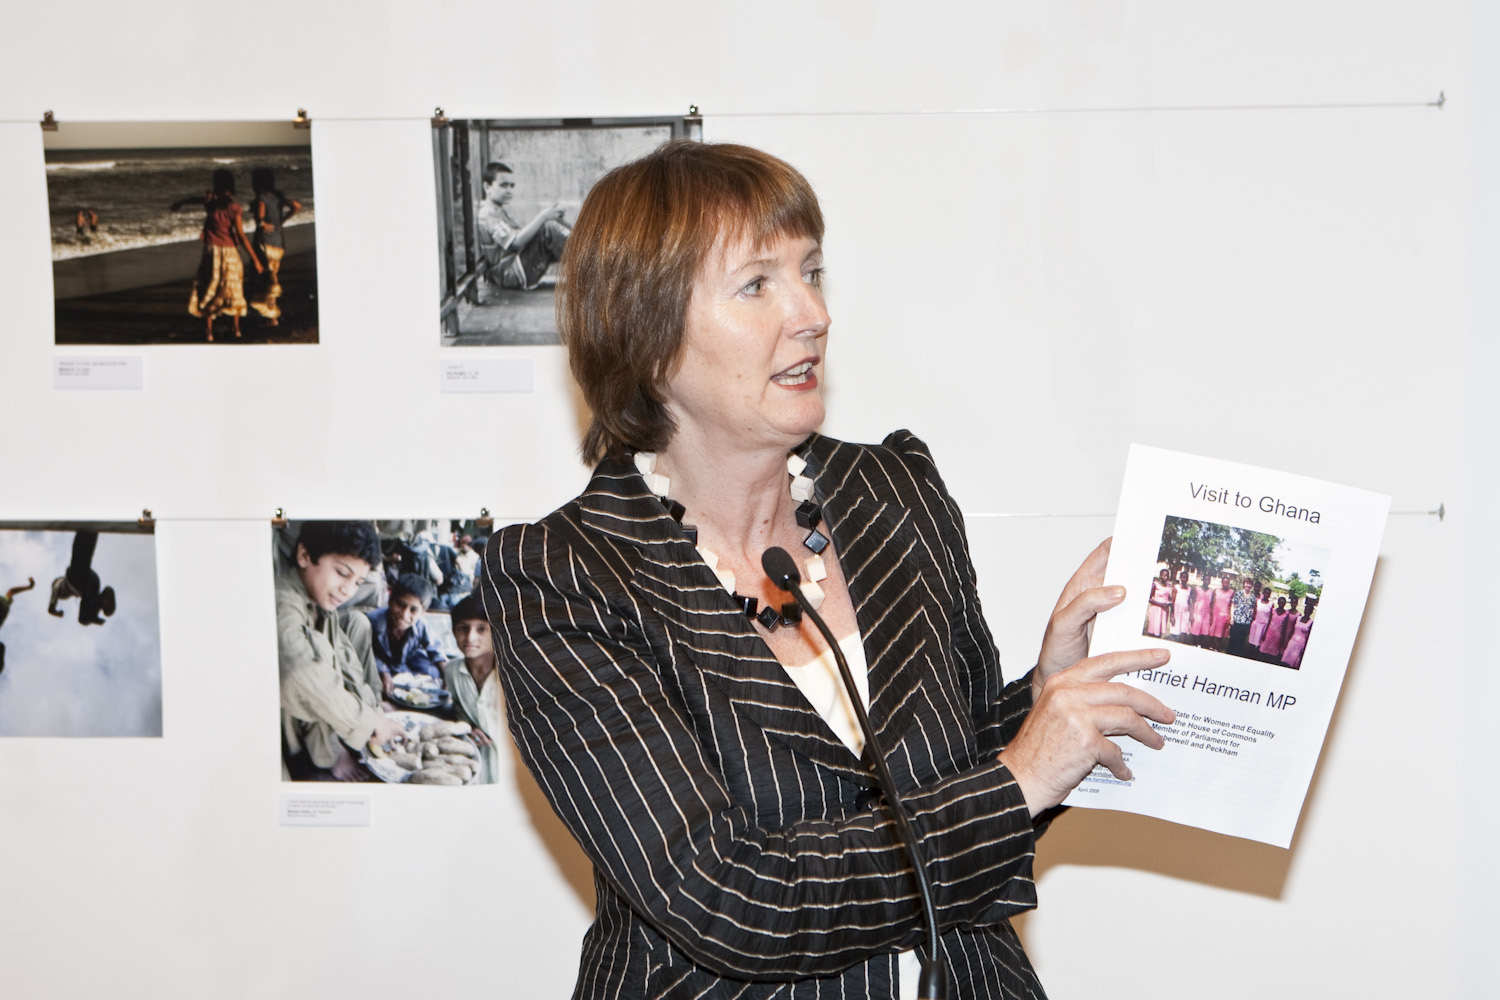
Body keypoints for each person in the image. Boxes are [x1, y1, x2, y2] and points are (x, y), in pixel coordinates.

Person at [477, 140, 1175, 1000]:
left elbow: (955, 791)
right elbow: (727, 896)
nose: (813, 313)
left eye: (811, 272)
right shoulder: (563, 576)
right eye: (757, 284)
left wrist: (1046, 700)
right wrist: (1019, 780)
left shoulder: (892, 490)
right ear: (648, 337)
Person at [278, 520, 405, 782]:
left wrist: (372, 709)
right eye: (342, 572)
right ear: (304, 556)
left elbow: (347, 660)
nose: (348, 590)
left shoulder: (321, 602)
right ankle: (330, 753)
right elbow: (303, 675)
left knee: (355, 624)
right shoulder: (283, 602)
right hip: (281, 719)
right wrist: (366, 722)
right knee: (319, 669)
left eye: (358, 582)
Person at [171, 168, 262, 342]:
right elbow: (241, 236)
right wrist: (255, 259)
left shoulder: (211, 201)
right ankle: (235, 329)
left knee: (209, 287)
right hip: (230, 253)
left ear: (216, 185)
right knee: (234, 289)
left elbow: (193, 199)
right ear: (231, 187)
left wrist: (180, 203)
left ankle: (209, 331)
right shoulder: (233, 207)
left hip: (212, 252)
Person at [476, 161, 570, 291]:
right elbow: (516, 243)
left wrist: (550, 215)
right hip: (510, 273)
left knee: (554, 223)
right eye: (503, 185)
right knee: (549, 228)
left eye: (511, 186)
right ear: (487, 187)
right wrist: (543, 217)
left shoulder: (497, 210)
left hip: (515, 268)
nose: (509, 190)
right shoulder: (488, 214)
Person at [441, 595, 501, 784]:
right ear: (453, 631)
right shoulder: (452, 671)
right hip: (475, 765)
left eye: (481, 629)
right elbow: (461, 714)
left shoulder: (513, 674)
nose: (470, 637)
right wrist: (468, 729)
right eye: (463, 628)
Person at [366, 573, 448, 693]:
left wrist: (446, 675)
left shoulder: (421, 625)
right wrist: (383, 671)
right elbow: (367, 651)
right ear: (390, 600)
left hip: (404, 666)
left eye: (413, 610)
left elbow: (436, 650)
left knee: (432, 673)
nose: (404, 615)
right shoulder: (372, 620)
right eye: (400, 605)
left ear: (422, 612)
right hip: (378, 665)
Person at [247, 167, 302, 325]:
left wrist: (261, 223)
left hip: (265, 241)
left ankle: (270, 313)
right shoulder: (277, 197)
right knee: (272, 276)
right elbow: (297, 206)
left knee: (261, 277)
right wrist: (281, 220)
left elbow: (260, 217)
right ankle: (272, 314)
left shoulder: (261, 197)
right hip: (278, 243)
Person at [47, 530, 116, 626]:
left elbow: (56, 587)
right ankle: (97, 606)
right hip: (84, 582)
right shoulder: (62, 587)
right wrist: (52, 608)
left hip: (83, 581)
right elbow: (56, 587)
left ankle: (89, 532)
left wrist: (52, 608)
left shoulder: (61, 585)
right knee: (83, 557)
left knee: (83, 557)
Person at [0, 576, 37, 676]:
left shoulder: (4, 601)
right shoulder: (5, 601)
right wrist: (29, 587)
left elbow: (11, 591)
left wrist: (29, 587)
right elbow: (12, 591)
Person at [1227, 577, 1258, 657]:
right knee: (1233, 640)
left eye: (1250, 584)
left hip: (1246, 623)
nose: (1248, 585)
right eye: (1247, 583)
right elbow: (1233, 605)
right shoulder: (1238, 593)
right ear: (1244, 584)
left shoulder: (1253, 597)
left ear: (1252, 586)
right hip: (1236, 621)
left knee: (1241, 642)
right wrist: (1232, 618)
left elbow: (1252, 609)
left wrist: (1250, 620)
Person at [1281, 604, 1314, 670]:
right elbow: (1292, 630)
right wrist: (1287, 641)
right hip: (1292, 641)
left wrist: (1305, 649)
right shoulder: (1298, 618)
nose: (1307, 611)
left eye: (1309, 610)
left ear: (1311, 612)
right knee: (1285, 657)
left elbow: (1309, 637)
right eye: (1306, 609)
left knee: (1293, 661)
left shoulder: (1311, 622)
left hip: (1300, 645)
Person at [1145, 568, 1173, 637]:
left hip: (1164, 610)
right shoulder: (1155, 585)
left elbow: (1169, 597)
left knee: (1160, 628)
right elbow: (1149, 599)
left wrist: (1169, 603)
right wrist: (1160, 604)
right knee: (1154, 628)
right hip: (1156, 609)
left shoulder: (1169, 585)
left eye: (1167, 576)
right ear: (1160, 576)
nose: (1166, 577)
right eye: (1164, 575)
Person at [1171, 568, 1192, 637]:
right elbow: (1172, 602)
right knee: (1175, 632)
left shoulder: (1189, 589)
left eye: (1186, 578)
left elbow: (1188, 602)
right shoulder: (1176, 587)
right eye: (1183, 577)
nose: (1184, 579)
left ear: (1188, 579)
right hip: (1177, 612)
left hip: (1185, 613)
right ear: (1180, 578)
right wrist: (1172, 615)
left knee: (1184, 631)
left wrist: (1190, 614)